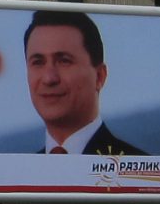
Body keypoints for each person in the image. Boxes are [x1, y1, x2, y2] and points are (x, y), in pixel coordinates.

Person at [24, 9, 145, 157]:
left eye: (64, 61)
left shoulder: (137, 166)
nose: (49, 78)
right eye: (38, 62)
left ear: (99, 76)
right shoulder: (19, 168)